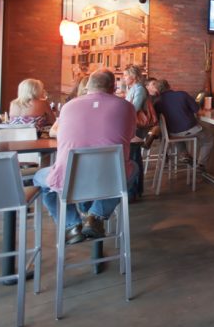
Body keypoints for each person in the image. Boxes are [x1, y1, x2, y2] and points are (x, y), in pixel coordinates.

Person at [32, 69, 137, 244]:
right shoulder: (126, 107)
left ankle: (72, 224)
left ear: (88, 86)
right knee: (131, 171)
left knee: (39, 179)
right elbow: (130, 134)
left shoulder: (68, 106)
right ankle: (95, 216)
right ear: (113, 87)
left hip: (69, 179)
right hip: (109, 178)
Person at [153, 79, 214, 167]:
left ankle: (184, 154)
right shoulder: (182, 94)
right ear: (169, 86)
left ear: (157, 90)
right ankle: (201, 164)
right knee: (209, 139)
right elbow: (199, 112)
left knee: (178, 134)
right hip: (189, 130)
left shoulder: (157, 103)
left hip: (172, 133)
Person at [123, 65, 149, 196]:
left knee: (133, 156)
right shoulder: (133, 88)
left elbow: (134, 109)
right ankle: (135, 190)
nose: (124, 78)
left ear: (133, 77)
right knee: (133, 155)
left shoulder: (139, 89)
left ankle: (134, 191)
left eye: (126, 75)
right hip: (133, 126)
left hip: (138, 127)